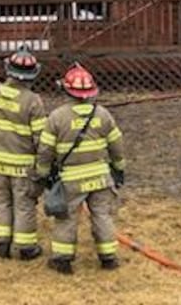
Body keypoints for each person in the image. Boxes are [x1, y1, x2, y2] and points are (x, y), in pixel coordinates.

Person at [36, 63, 126, 275]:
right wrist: (119, 168)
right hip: (100, 178)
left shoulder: (57, 117)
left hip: (72, 181)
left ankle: (63, 260)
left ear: (67, 90)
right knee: (102, 215)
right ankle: (109, 258)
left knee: (66, 218)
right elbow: (117, 145)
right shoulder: (103, 114)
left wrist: (43, 173)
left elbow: (45, 150)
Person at [0, 45, 47, 260]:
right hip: (23, 168)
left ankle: (2, 243)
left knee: (1, 202)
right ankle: (25, 248)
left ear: (8, 70)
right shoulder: (33, 102)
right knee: (24, 205)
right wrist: (45, 165)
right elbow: (41, 138)